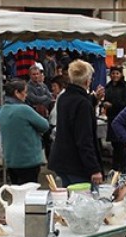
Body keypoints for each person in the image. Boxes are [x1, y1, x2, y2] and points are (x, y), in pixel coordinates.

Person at [48, 59, 104, 187]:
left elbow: (74, 108)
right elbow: (84, 140)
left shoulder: (63, 97)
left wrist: (94, 99)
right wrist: (94, 169)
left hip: (62, 159)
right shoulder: (82, 104)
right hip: (77, 164)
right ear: (87, 81)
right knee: (82, 203)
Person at [0, 79, 49, 184]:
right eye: (25, 92)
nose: (26, 95)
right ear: (17, 93)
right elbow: (45, 125)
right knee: (29, 194)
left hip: (11, 160)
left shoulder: (3, 110)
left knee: (17, 193)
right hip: (28, 160)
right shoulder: (24, 109)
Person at [103, 66, 126, 172]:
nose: (115, 75)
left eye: (117, 73)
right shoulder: (108, 86)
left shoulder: (125, 87)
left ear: (121, 74)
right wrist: (103, 104)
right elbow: (104, 99)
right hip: (111, 118)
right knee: (114, 145)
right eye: (113, 73)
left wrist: (112, 105)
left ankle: (124, 168)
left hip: (122, 118)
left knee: (122, 144)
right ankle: (115, 168)